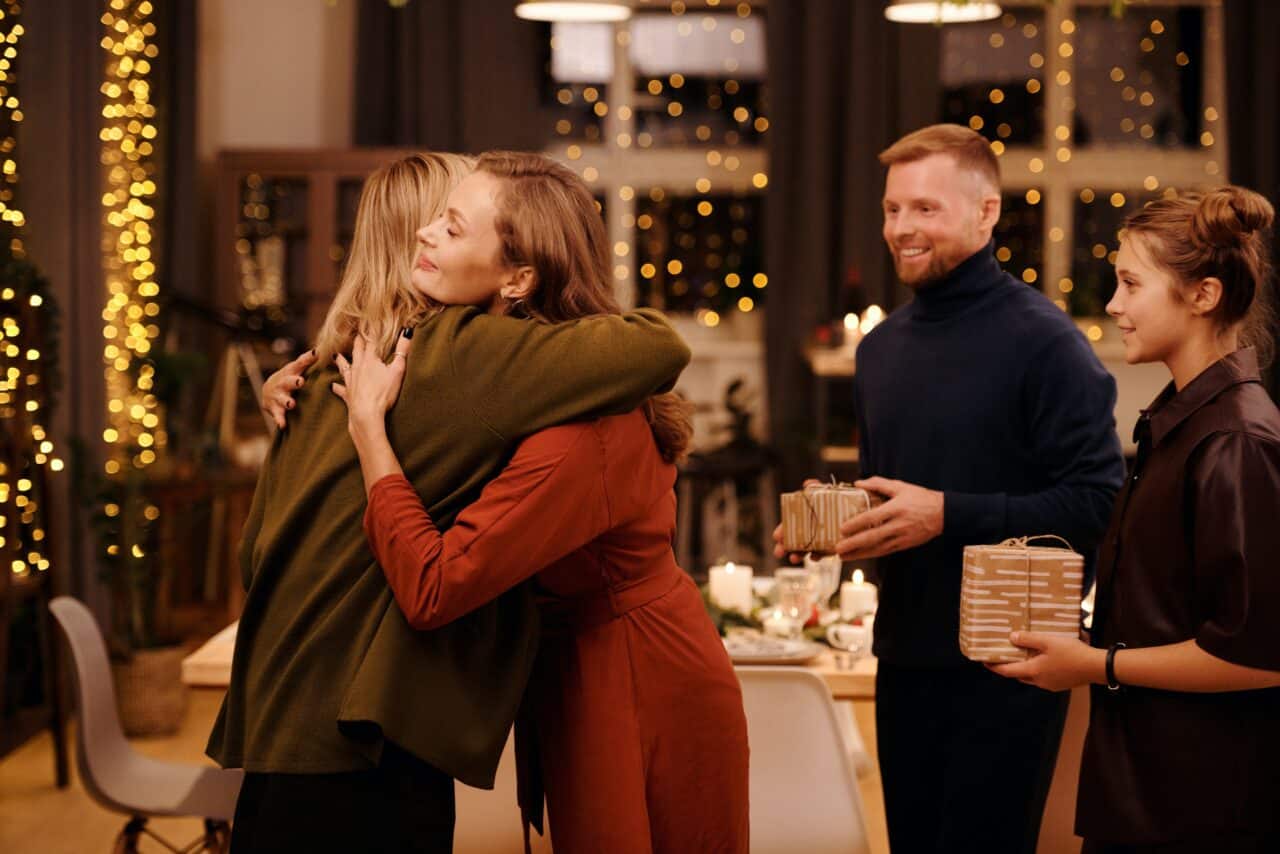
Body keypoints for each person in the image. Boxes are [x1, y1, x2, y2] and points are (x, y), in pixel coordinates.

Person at [207, 152, 692, 854]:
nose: (431, 235)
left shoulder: (326, 370)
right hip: (362, 734)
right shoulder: (465, 355)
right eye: (441, 218)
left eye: (453, 225)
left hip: (278, 719)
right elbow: (654, 345)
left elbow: (254, 557)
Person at [779, 124, 1125, 853]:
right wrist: (834, 518)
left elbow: (1100, 503)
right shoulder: (879, 351)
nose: (901, 228)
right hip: (903, 659)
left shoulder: (1048, 343)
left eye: (925, 209)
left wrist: (949, 515)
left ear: (986, 214)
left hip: (1011, 665)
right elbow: (901, 497)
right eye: (892, 209)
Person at [993, 186, 1280, 853]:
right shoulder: (1180, 424)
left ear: (1203, 295)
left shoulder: (1237, 440)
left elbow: (1261, 655)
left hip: (1204, 805)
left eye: (1129, 283)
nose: (1114, 305)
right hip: (1148, 790)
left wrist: (1095, 663)